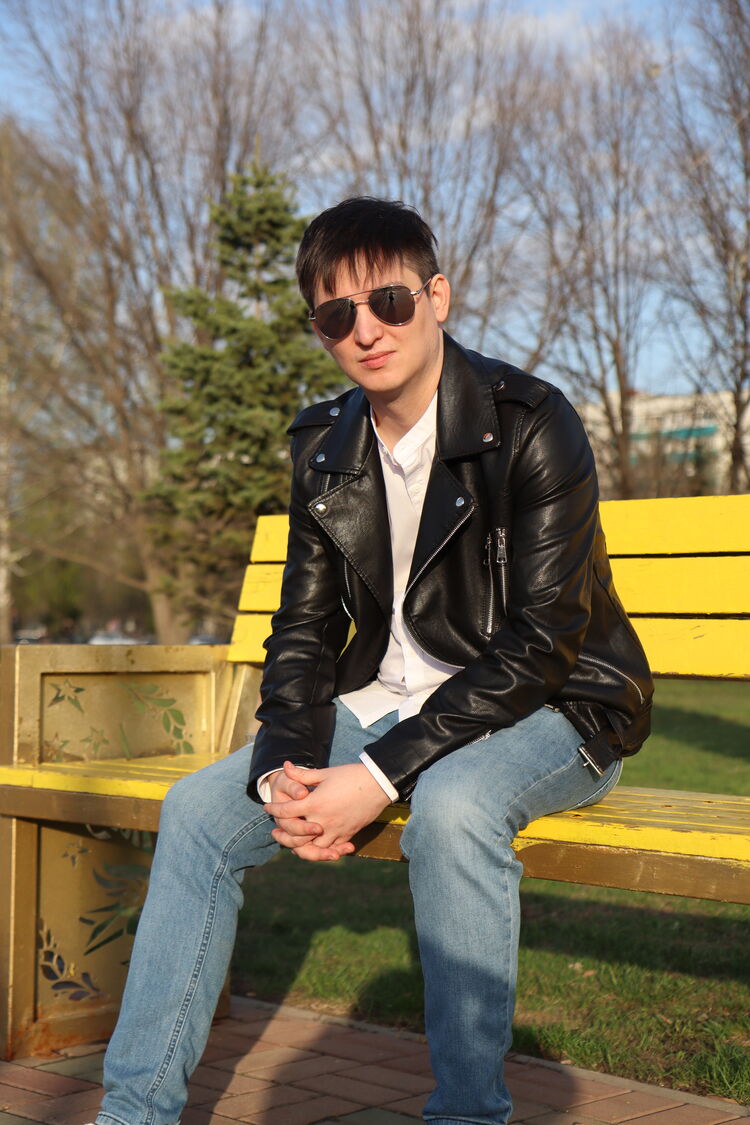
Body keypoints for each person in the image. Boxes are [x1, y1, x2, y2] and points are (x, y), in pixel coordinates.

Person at [94, 197, 652, 1125]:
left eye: (389, 301)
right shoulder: (325, 446)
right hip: (387, 703)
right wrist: (282, 765)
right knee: (196, 812)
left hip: (557, 707)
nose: (366, 330)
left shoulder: (530, 421)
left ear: (437, 296)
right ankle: (132, 1114)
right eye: (335, 313)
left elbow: (543, 642)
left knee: (454, 807)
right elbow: (303, 631)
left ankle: (467, 1114)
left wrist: (377, 776)